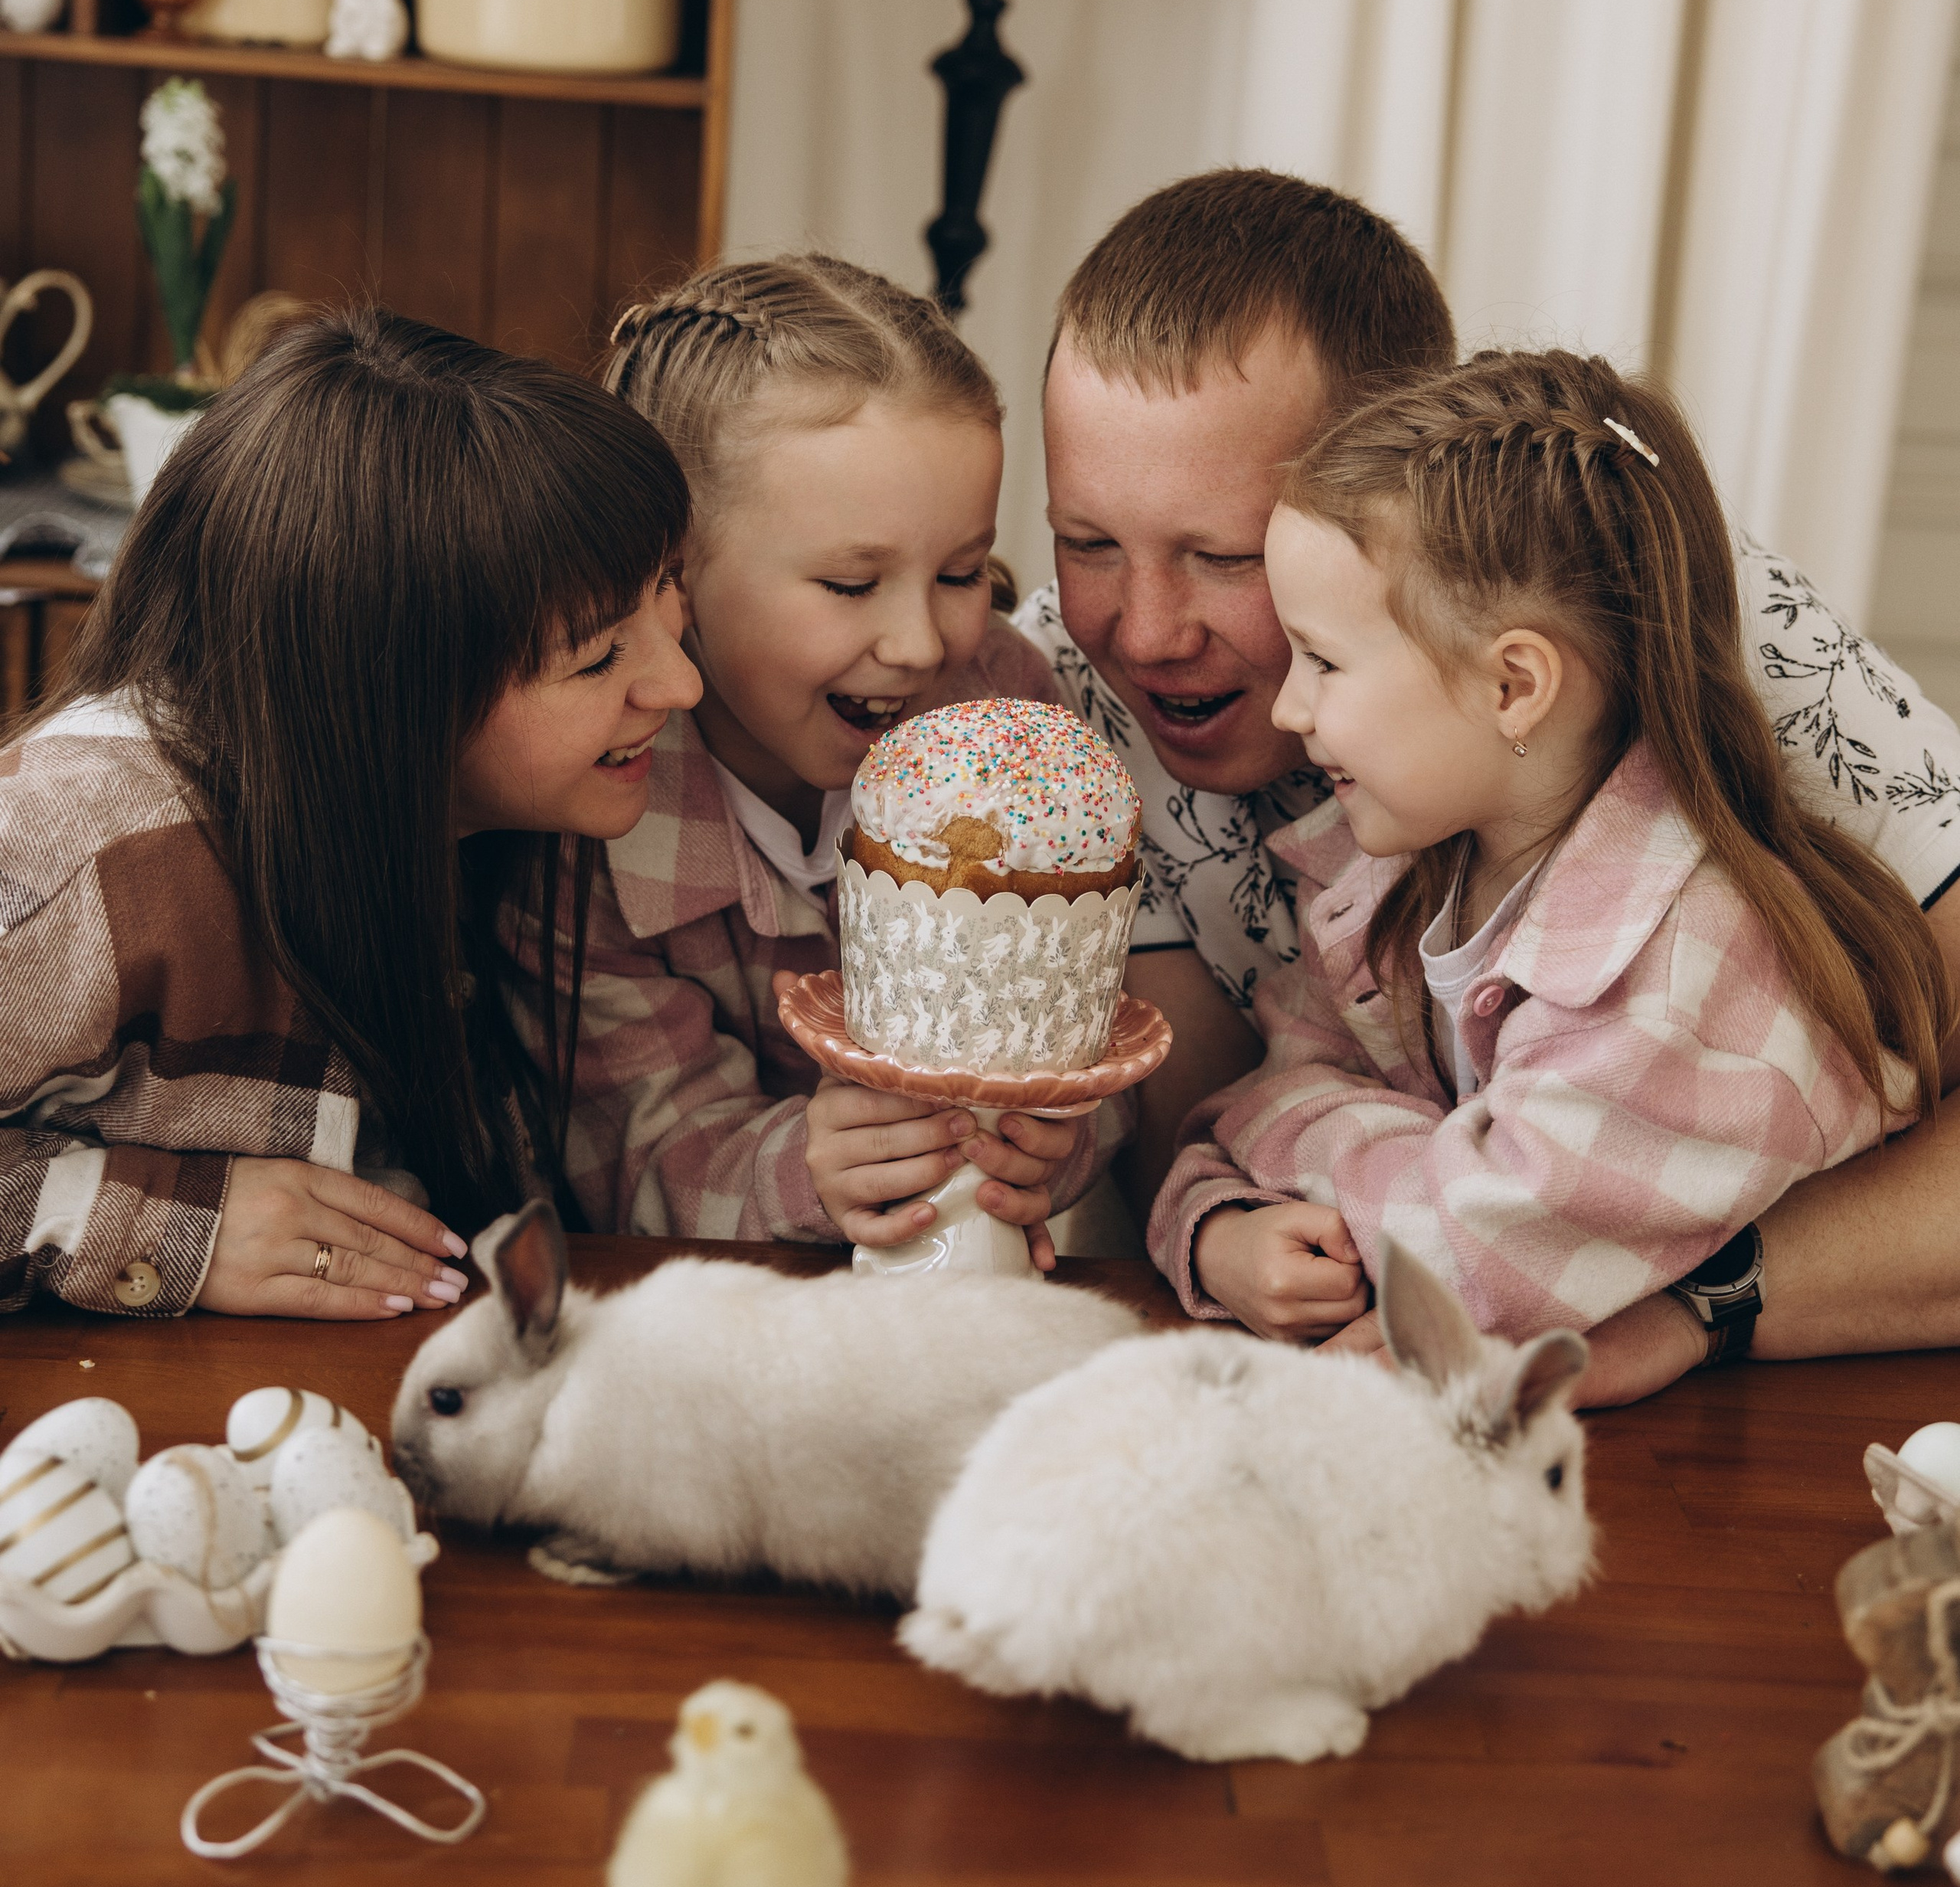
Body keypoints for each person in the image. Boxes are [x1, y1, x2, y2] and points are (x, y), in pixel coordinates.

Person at [1018, 168, 1960, 1388]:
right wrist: (1231, 1215)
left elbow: (1460, 1237)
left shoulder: (1647, 589)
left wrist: (1693, 1303)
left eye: (1225, 555)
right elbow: (1215, 1140)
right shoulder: (1053, 700)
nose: (1141, 632)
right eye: (1085, 539)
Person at [1146, 351, 1949, 1342]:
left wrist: (1321, 1148)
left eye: (1325, 659)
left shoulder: (1687, 969)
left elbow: (1459, 1264)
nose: (1289, 706)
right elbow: (1258, 1098)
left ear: (1514, 686)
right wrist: (1222, 1229)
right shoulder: (1398, 878)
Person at [0, 309, 698, 1323]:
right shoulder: (81, 848)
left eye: (669, 592)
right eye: (598, 658)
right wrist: (176, 1231)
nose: (680, 683)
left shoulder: (495, 823)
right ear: (386, 693)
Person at [539, 255, 1112, 1264]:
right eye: (852, 583)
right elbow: (625, 1154)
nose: (921, 642)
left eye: (961, 571)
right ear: (676, 575)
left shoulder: (1005, 707)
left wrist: (1050, 1148)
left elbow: (1089, 1023)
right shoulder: (594, 793)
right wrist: (807, 1167)